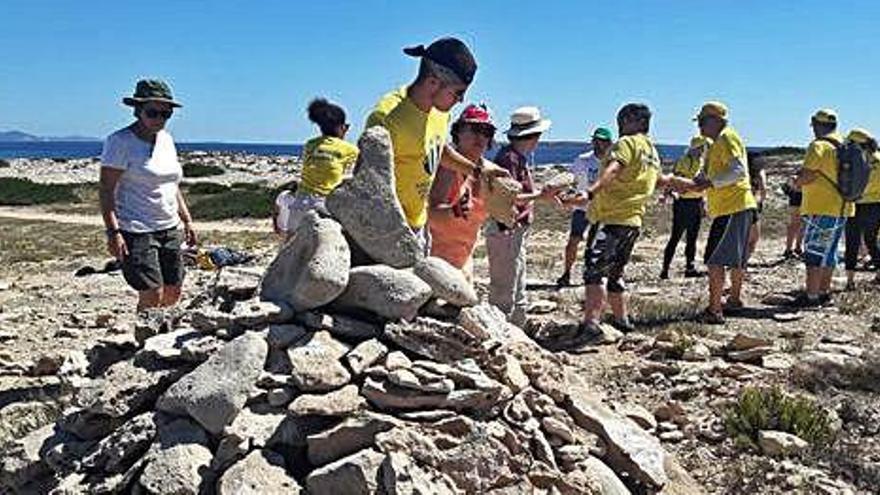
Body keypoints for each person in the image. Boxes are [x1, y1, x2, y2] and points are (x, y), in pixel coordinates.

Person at [365, 37, 509, 254]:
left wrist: (478, 171)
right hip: (387, 231)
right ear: (433, 82)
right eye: (458, 92)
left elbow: (436, 149)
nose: (461, 101)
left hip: (419, 227)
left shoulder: (438, 113)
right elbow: (366, 182)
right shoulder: (387, 117)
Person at [575, 103, 683, 336]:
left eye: (623, 119)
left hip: (611, 217)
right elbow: (657, 180)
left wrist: (591, 191)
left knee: (594, 271)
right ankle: (622, 320)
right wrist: (692, 184)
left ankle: (591, 325)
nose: (620, 125)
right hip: (633, 221)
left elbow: (614, 168)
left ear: (634, 121)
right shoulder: (652, 152)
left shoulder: (626, 144)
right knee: (616, 272)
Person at [99, 79, 197, 312]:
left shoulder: (167, 140)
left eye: (166, 114)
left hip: (168, 226)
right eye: (153, 112)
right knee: (152, 293)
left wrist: (187, 220)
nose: (159, 119)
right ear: (138, 110)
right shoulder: (120, 142)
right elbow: (106, 190)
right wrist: (114, 233)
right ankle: (145, 342)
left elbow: (171, 184)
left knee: (174, 291)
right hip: (136, 229)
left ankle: (160, 333)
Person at [681, 102, 758, 324]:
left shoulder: (726, 137)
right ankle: (731, 300)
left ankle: (714, 310)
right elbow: (713, 174)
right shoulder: (716, 143)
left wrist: (709, 183)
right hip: (731, 207)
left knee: (714, 259)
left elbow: (738, 171)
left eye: (703, 122)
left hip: (733, 207)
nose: (700, 127)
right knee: (731, 259)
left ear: (715, 120)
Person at [486, 106, 555, 326]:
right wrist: (541, 195)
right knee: (506, 285)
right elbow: (510, 197)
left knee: (516, 280)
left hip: (513, 228)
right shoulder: (510, 159)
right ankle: (503, 331)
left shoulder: (514, 157)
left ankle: (516, 329)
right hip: (507, 227)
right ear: (532, 136)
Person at [792, 109, 853, 307]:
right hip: (843, 206)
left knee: (814, 252)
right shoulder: (844, 145)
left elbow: (809, 175)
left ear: (816, 125)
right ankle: (824, 292)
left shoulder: (818, 146)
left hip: (821, 207)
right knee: (829, 253)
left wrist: (795, 183)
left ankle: (811, 296)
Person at [274, 98, 357, 240]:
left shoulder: (310, 145)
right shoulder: (349, 149)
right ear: (341, 127)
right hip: (324, 204)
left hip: (300, 201)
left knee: (292, 244)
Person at [428, 103, 495, 281]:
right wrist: (453, 211)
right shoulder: (447, 168)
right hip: (434, 263)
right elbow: (430, 214)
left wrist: (541, 196)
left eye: (486, 132)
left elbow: (510, 200)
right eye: (474, 129)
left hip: (464, 263)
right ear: (458, 132)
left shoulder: (488, 170)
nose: (480, 136)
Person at [556, 127, 614, 287]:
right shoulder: (582, 160)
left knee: (602, 243)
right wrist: (565, 193)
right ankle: (566, 273)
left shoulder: (613, 162)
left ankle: (600, 274)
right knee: (574, 240)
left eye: (602, 141)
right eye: (596, 140)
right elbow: (571, 179)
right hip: (582, 208)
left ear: (609, 143)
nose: (598, 144)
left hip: (604, 209)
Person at [660, 135, 711, 279]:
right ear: (695, 147)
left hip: (695, 202)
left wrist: (702, 204)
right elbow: (676, 181)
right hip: (683, 204)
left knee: (692, 237)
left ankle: (690, 268)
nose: (702, 150)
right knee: (675, 237)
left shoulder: (701, 162)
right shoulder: (684, 161)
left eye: (704, 148)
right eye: (701, 147)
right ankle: (665, 269)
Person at [843, 128, 880, 290]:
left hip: (857, 204)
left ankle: (850, 281)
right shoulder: (878, 158)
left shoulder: (856, 159)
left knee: (852, 241)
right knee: (872, 241)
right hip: (877, 205)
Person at [747, 155, 768, 260]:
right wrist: (761, 201)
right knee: (753, 238)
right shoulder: (759, 172)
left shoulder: (741, 173)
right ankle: (742, 266)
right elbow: (764, 188)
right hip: (752, 205)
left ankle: (737, 266)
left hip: (737, 206)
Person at [781, 178, 804, 259]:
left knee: (802, 225)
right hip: (796, 201)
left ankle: (798, 248)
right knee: (794, 225)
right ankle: (788, 249)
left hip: (804, 201)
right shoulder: (799, 174)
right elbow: (788, 185)